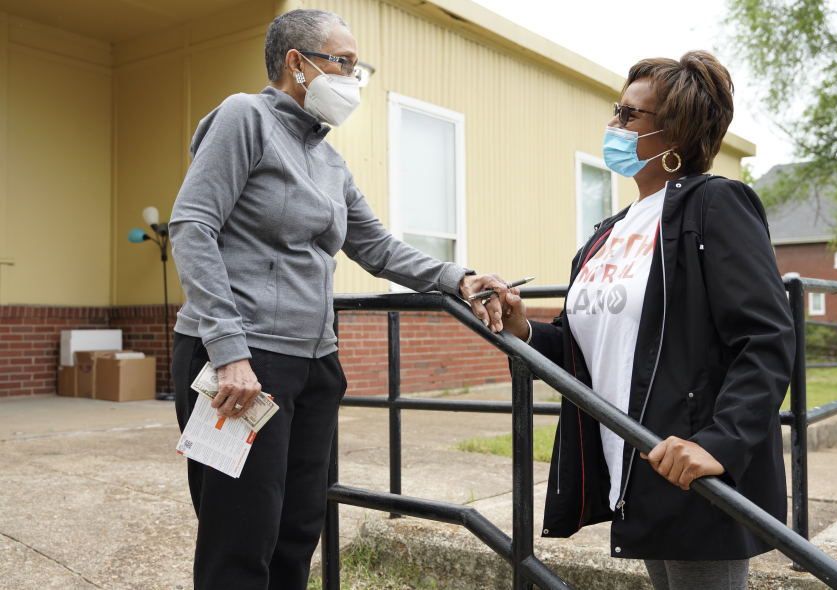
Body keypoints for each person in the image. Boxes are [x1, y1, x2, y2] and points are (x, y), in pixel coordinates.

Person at [168, 9, 508, 590]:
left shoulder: (327, 159)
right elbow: (191, 226)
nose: (352, 79)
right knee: (241, 538)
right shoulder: (243, 117)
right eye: (343, 63)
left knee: (298, 532)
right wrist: (228, 350)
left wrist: (458, 277)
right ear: (297, 64)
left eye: (357, 68)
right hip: (241, 363)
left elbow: (374, 244)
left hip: (314, 364)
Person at [502, 51, 795, 590]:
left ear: (674, 134)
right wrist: (522, 329)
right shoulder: (609, 231)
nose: (612, 125)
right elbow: (582, 350)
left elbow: (767, 338)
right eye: (617, 110)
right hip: (636, 466)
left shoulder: (715, 205)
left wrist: (720, 443)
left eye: (628, 116)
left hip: (691, 467)